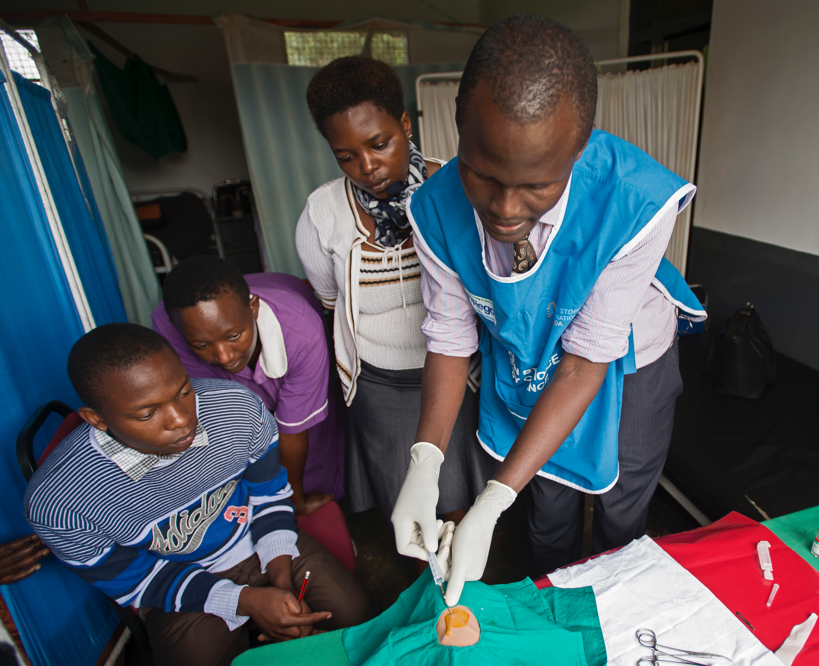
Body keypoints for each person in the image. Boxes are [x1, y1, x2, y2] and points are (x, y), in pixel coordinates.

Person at [392, 15, 705, 606]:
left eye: (538, 185)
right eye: (482, 175)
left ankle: (610, 612)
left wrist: (490, 499)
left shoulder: (634, 201)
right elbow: (452, 334)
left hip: (629, 358)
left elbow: (587, 361)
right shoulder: (434, 209)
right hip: (528, 355)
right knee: (547, 498)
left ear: (580, 149)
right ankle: (550, 612)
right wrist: (425, 461)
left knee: (620, 509)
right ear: (459, 128)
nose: (505, 209)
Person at [24, 324, 372, 666]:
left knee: (359, 621)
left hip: (262, 541)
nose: (181, 419)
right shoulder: (59, 501)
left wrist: (280, 580)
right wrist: (246, 601)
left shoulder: (237, 409)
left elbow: (270, 492)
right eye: (148, 413)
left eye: (183, 391)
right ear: (96, 419)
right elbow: (134, 578)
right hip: (177, 580)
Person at [295, 56, 496, 527]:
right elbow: (330, 302)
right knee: (405, 501)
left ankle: (460, 593)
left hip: (458, 373)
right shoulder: (324, 213)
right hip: (380, 382)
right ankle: (427, 591)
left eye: (380, 143)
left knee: (458, 490)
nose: (366, 166)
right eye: (345, 156)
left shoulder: (458, 187)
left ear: (405, 123)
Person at [152, 256, 341, 516]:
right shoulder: (170, 324)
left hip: (293, 318)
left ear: (254, 308)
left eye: (233, 336)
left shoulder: (302, 333)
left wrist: (295, 500)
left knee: (307, 434)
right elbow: (215, 415)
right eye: (201, 345)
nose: (224, 356)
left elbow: (293, 431)